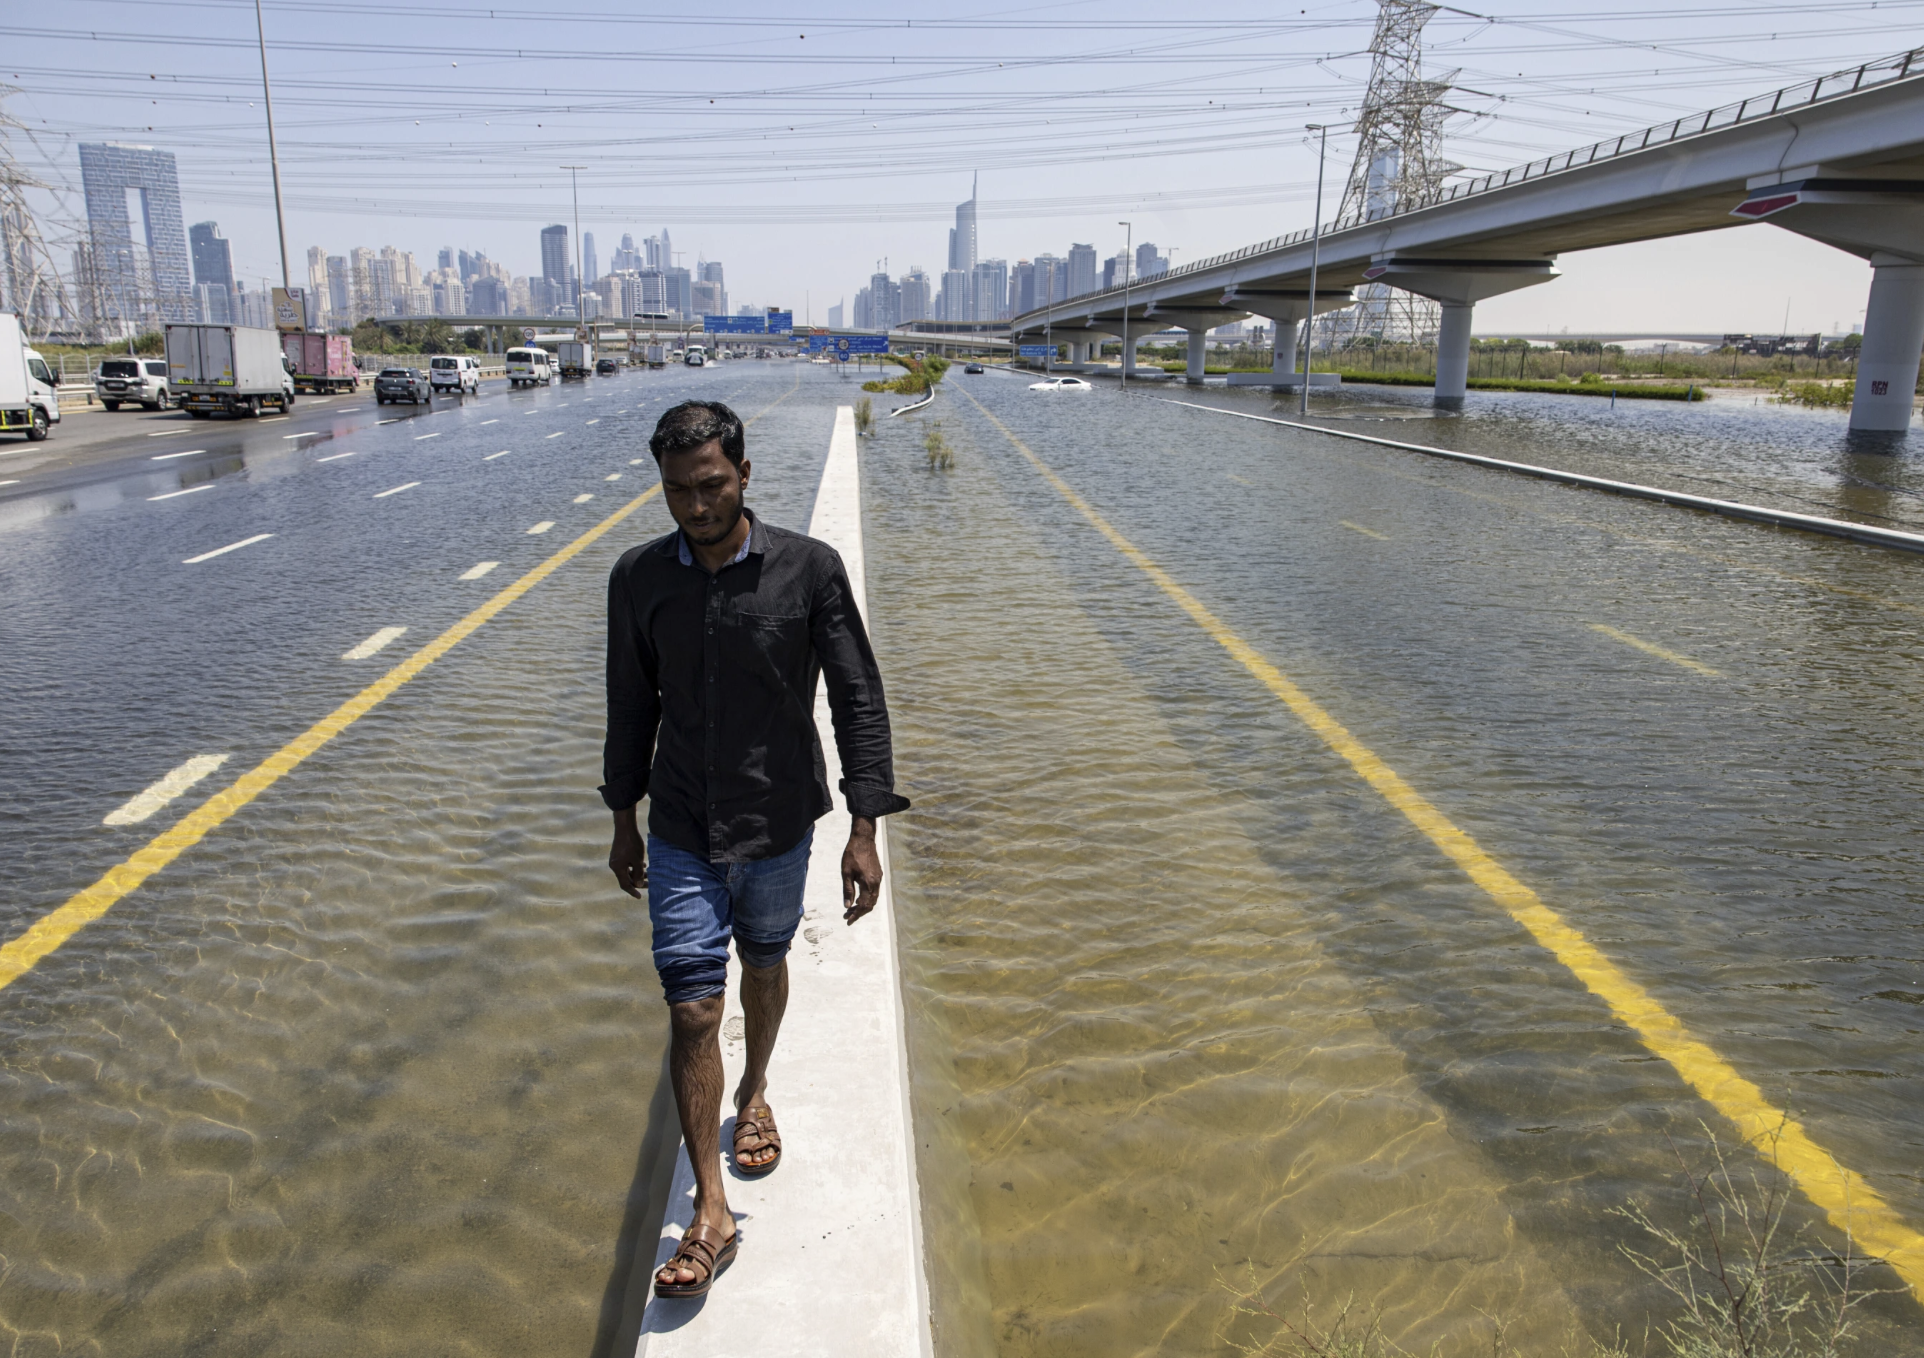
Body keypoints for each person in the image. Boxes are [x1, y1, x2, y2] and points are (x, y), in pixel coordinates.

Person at [602, 399, 910, 1301]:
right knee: (694, 1007)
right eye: (676, 492)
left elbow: (857, 699)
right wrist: (623, 817)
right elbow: (631, 705)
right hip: (683, 825)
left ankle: (755, 1092)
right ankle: (712, 1209)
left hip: (778, 824)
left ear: (743, 474)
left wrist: (864, 828)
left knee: (765, 966)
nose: (696, 507)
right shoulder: (638, 578)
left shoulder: (809, 571)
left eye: (710, 486)